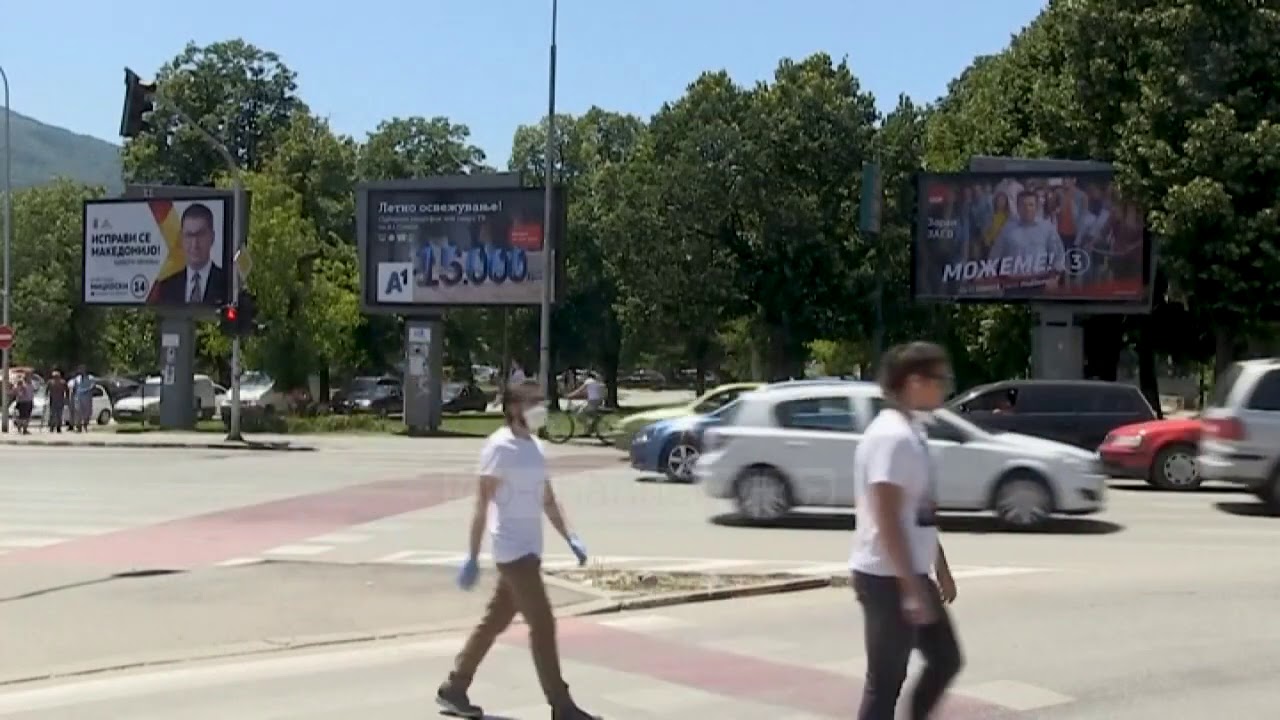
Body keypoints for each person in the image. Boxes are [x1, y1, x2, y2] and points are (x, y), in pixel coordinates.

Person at [436, 383, 600, 720]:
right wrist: (472, 556)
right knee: (543, 623)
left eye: (540, 401)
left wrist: (571, 537)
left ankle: (454, 687)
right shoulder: (500, 447)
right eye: (532, 402)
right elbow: (482, 504)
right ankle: (561, 705)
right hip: (512, 551)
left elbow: (548, 499)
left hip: (531, 550)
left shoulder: (535, 447)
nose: (540, 408)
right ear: (513, 408)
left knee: (494, 621)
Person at [851, 342, 963, 720]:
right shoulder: (891, 437)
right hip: (887, 577)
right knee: (884, 684)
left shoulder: (912, 431)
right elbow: (886, 517)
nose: (944, 387)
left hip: (909, 572)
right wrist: (910, 589)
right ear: (915, 382)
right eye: (940, 379)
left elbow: (918, 510)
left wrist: (939, 565)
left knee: (946, 659)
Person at [151, 203, 226, 305]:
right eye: (189, 235)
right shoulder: (167, 287)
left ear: (212, 237)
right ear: (182, 238)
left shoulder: (227, 283)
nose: (194, 244)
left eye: (200, 235)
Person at [69, 366, 96, 432]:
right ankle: (79, 427)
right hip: (78, 398)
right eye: (80, 370)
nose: (81, 371)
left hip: (87, 398)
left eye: (83, 370)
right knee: (78, 412)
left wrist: (85, 390)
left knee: (87, 413)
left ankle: (85, 425)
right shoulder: (77, 378)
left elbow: (92, 386)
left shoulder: (91, 377)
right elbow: (74, 387)